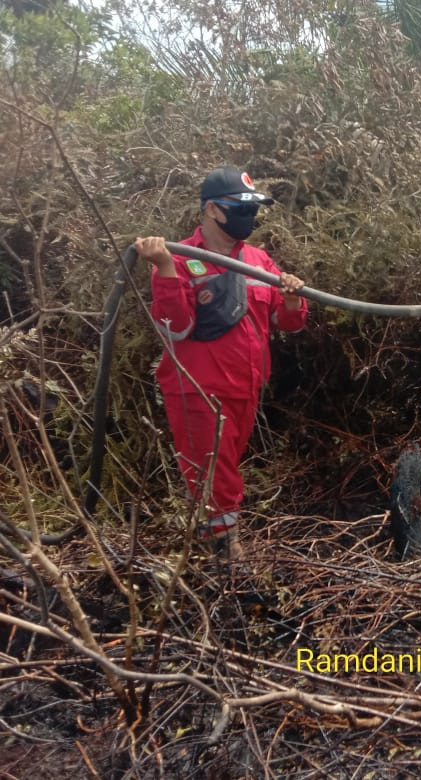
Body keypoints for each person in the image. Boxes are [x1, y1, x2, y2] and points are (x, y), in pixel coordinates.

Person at [134, 166, 307, 561]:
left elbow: (285, 322)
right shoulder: (180, 259)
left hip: (245, 387)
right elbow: (176, 329)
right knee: (212, 474)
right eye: (240, 208)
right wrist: (162, 268)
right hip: (198, 388)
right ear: (212, 209)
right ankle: (225, 558)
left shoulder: (259, 261)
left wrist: (294, 298)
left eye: (254, 208)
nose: (250, 217)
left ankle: (210, 548)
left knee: (221, 469)